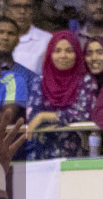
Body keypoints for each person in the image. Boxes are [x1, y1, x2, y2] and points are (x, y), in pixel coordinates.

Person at [27, 32, 98, 160]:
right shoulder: (39, 81)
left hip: (75, 155)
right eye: (57, 51)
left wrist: (45, 116)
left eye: (69, 51)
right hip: (41, 153)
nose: (63, 56)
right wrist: (44, 117)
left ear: (77, 54)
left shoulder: (85, 81)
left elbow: (83, 114)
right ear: (50, 54)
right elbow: (32, 113)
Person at [0, 0, 51, 74]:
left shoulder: (47, 40)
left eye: (28, 6)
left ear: (33, 10)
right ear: (6, 10)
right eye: (16, 6)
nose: (22, 11)